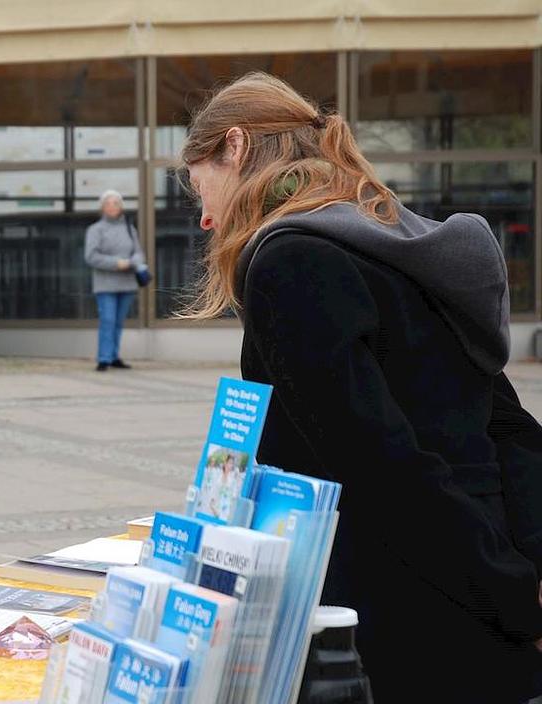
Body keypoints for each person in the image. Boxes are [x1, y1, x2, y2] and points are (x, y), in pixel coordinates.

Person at [180, 72, 542, 702]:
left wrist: (515, 597)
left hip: (409, 615)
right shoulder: (392, 242)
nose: (208, 217)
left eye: (199, 186)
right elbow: (506, 426)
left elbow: (383, 466)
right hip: (484, 580)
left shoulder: (289, 262)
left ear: (234, 146)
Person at [84, 189, 147, 372]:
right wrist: (116, 263)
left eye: (116, 203)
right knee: (108, 320)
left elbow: (138, 251)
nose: (112, 206)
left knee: (118, 322)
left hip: (126, 283)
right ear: (102, 207)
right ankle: (103, 358)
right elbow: (91, 256)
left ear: (121, 206)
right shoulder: (95, 230)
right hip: (105, 285)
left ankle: (113, 357)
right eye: (108, 203)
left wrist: (134, 261)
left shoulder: (129, 228)